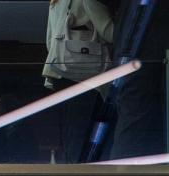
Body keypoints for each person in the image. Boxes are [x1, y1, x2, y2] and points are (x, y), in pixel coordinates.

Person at [42, 0, 115, 162]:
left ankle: (70, 175)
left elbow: (50, 40)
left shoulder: (55, 2)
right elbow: (109, 31)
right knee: (84, 133)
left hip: (60, 72)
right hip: (83, 76)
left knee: (69, 135)